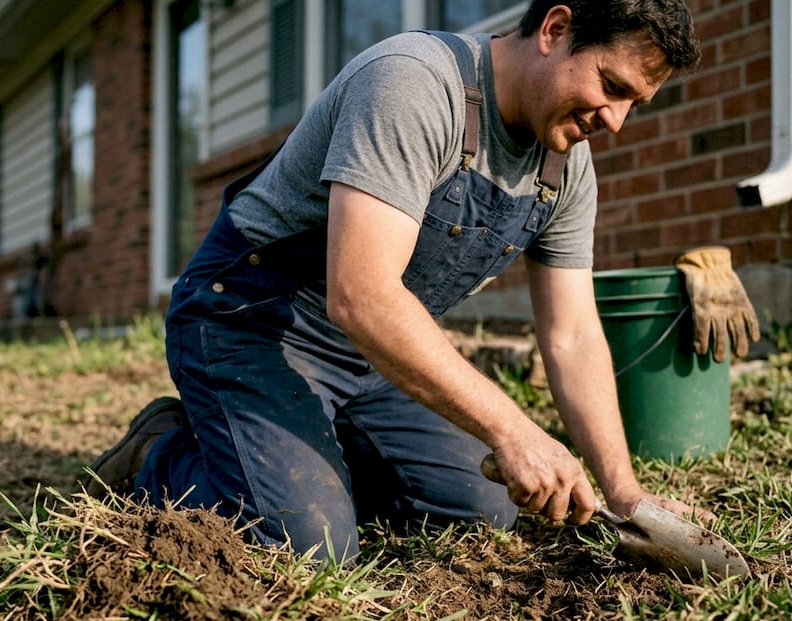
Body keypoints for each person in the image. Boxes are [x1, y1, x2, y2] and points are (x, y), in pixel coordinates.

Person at [90, 0, 755, 562]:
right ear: (555, 31)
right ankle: (160, 456)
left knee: (481, 509)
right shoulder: (414, 84)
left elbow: (574, 333)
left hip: (372, 355)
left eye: (634, 104)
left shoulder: (566, 169)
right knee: (308, 545)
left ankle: (302, 448)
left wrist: (625, 494)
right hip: (253, 321)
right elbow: (364, 295)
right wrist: (513, 429)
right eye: (611, 86)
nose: (615, 121)